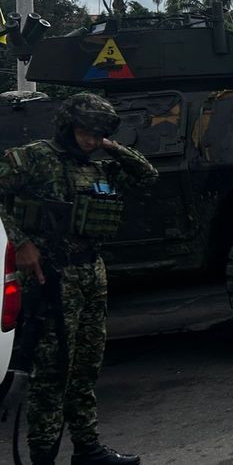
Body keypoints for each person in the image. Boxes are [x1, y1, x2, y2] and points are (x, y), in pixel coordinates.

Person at [1, 93, 158, 465]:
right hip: (52, 277)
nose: (90, 140)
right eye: (85, 131)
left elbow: (146, 175)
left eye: (96, 134)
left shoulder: (96, 167)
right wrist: (21, 243)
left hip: (90, 272)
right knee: (53, 374)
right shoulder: (34, 158)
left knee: (86, 368)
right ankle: (43, 455)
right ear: (68, 125)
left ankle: (87, 448)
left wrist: (110, 145)